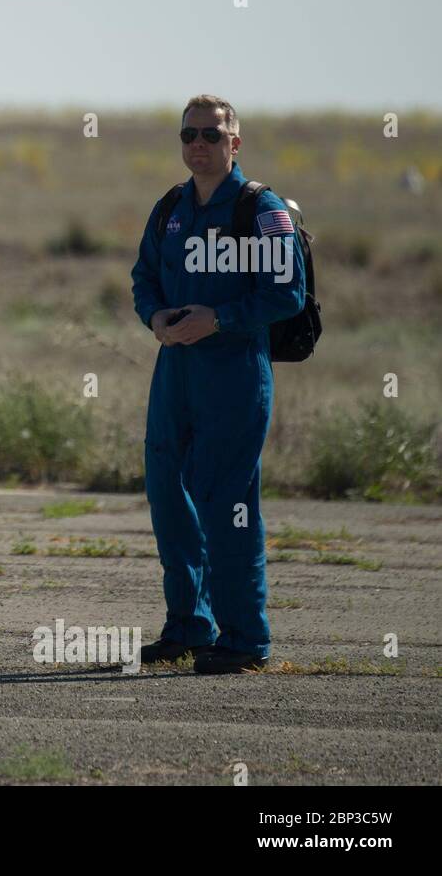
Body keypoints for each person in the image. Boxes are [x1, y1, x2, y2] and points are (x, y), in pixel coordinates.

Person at [132, 94, 305, 674]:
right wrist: (155, 317)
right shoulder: (171, 208)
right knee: (166, 492)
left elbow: (288, 294)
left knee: (227, 503)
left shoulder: (260, 210)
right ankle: (189, 624)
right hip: (175, 372)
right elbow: (144, 279)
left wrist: (220, 318)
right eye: (188, 135)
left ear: (235, 143)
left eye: (211, 134)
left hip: (233, 374)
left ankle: (244, 638)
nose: (198, 145)